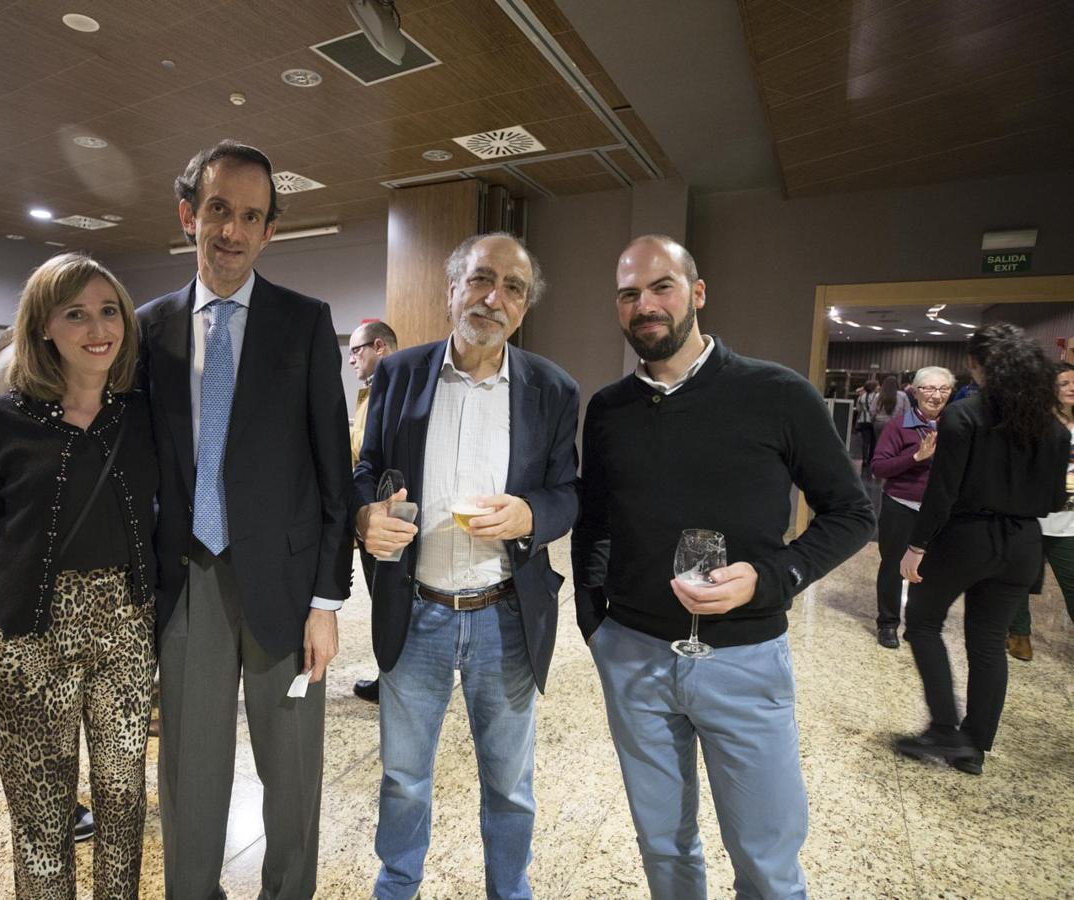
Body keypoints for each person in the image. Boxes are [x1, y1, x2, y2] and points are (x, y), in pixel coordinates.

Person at [0, 140, 352, 898]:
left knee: (293, 774)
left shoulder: (305, 323)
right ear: (188, 214)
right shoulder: (145, 330)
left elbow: (335, 473)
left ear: (270, 231)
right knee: (190, 774)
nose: (231, 230)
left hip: (291, 585)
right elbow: (87, 434)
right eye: (218, 209)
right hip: (184, 576)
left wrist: (328, 599)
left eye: (251, 216)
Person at [572, 235, 874, 899]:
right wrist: (596, 622)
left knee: (766, 862)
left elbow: (852, 514)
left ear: (698, 293)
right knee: (663, 847)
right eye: (628, 294)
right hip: (634, 658)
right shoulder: (610, 410)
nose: (645, 305)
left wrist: (773, 578)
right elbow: (595, 522)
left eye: (662, 287)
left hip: (744, 660)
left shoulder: (777, 393)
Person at [0, 253, 159, 897]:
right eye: (76, 314)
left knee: (124, 806)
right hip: (26, 639)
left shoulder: (144, 413)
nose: (98, 329)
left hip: (126, 632)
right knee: (41, 815)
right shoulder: (0, 419)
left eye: (108, 311)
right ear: (42, 326)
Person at [354, 233, 579, 900]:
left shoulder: (552, 389)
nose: (494, 298)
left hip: (504, 616)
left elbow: (569, 494)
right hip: (416, 608)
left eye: (513, 288)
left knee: (509, 785)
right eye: (481, 279)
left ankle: (509, 891)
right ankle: (397, 887)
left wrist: (530, 514)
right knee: (403, 779)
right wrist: (366, 514)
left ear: (524, 307)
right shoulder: (400, 374)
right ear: (452, 289)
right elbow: (366, 470)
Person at [896, 324, 1069, 776]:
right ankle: (974, 746)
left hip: (967, 536)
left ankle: (942, 727)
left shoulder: (964, 414)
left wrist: (916, 545)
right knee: (989, 643)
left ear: (977, 365)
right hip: (1024, 542)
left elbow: (942, 492)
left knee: (922, 622)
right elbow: (1055, 499)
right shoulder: (1053, 428)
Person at [869, 366, 954, 648]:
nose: (936, 395)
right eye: (929, 388)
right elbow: (879, 467)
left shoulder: (957, 426)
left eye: (943, 389)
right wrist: (916, 456)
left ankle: (919, 625)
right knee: (893, 565)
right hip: (901, 505)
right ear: (915, 392)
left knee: (929, 569)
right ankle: (888, 623)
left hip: (939, 510)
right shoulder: (898, 426)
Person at [1007, 362, 1074, 660]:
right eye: (1064, 383)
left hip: (1069, 523)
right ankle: (1019, 635)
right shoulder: (1033, 424)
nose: (1072, 388)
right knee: (1019, 580)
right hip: (1030, 518)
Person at [347, 318, 398, 704]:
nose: (351, 360)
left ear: (379, 346)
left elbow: (375, 451)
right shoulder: (372, 390)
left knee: (389, 601)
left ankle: (393, 680)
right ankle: (391, 675)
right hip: (372, 510)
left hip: (388, 511)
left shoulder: (394, 387)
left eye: (356, 351)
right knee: (382, 599)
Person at [870, 374, 904, 442]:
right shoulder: (902, 395)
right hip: (895, 423)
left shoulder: (878, 395)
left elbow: (872, 410)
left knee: (880, 442)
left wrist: (874, 418)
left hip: (879, 422)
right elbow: (907, 411)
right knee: (893, 443)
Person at [853, 379, 878, 470]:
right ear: (873, 387)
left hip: (863, 420)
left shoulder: (862, 397)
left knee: (865, 442)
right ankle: (871, 459)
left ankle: (864, 460)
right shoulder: (877, 396)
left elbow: (858, 409)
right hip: (874, 421)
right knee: (873, 441)